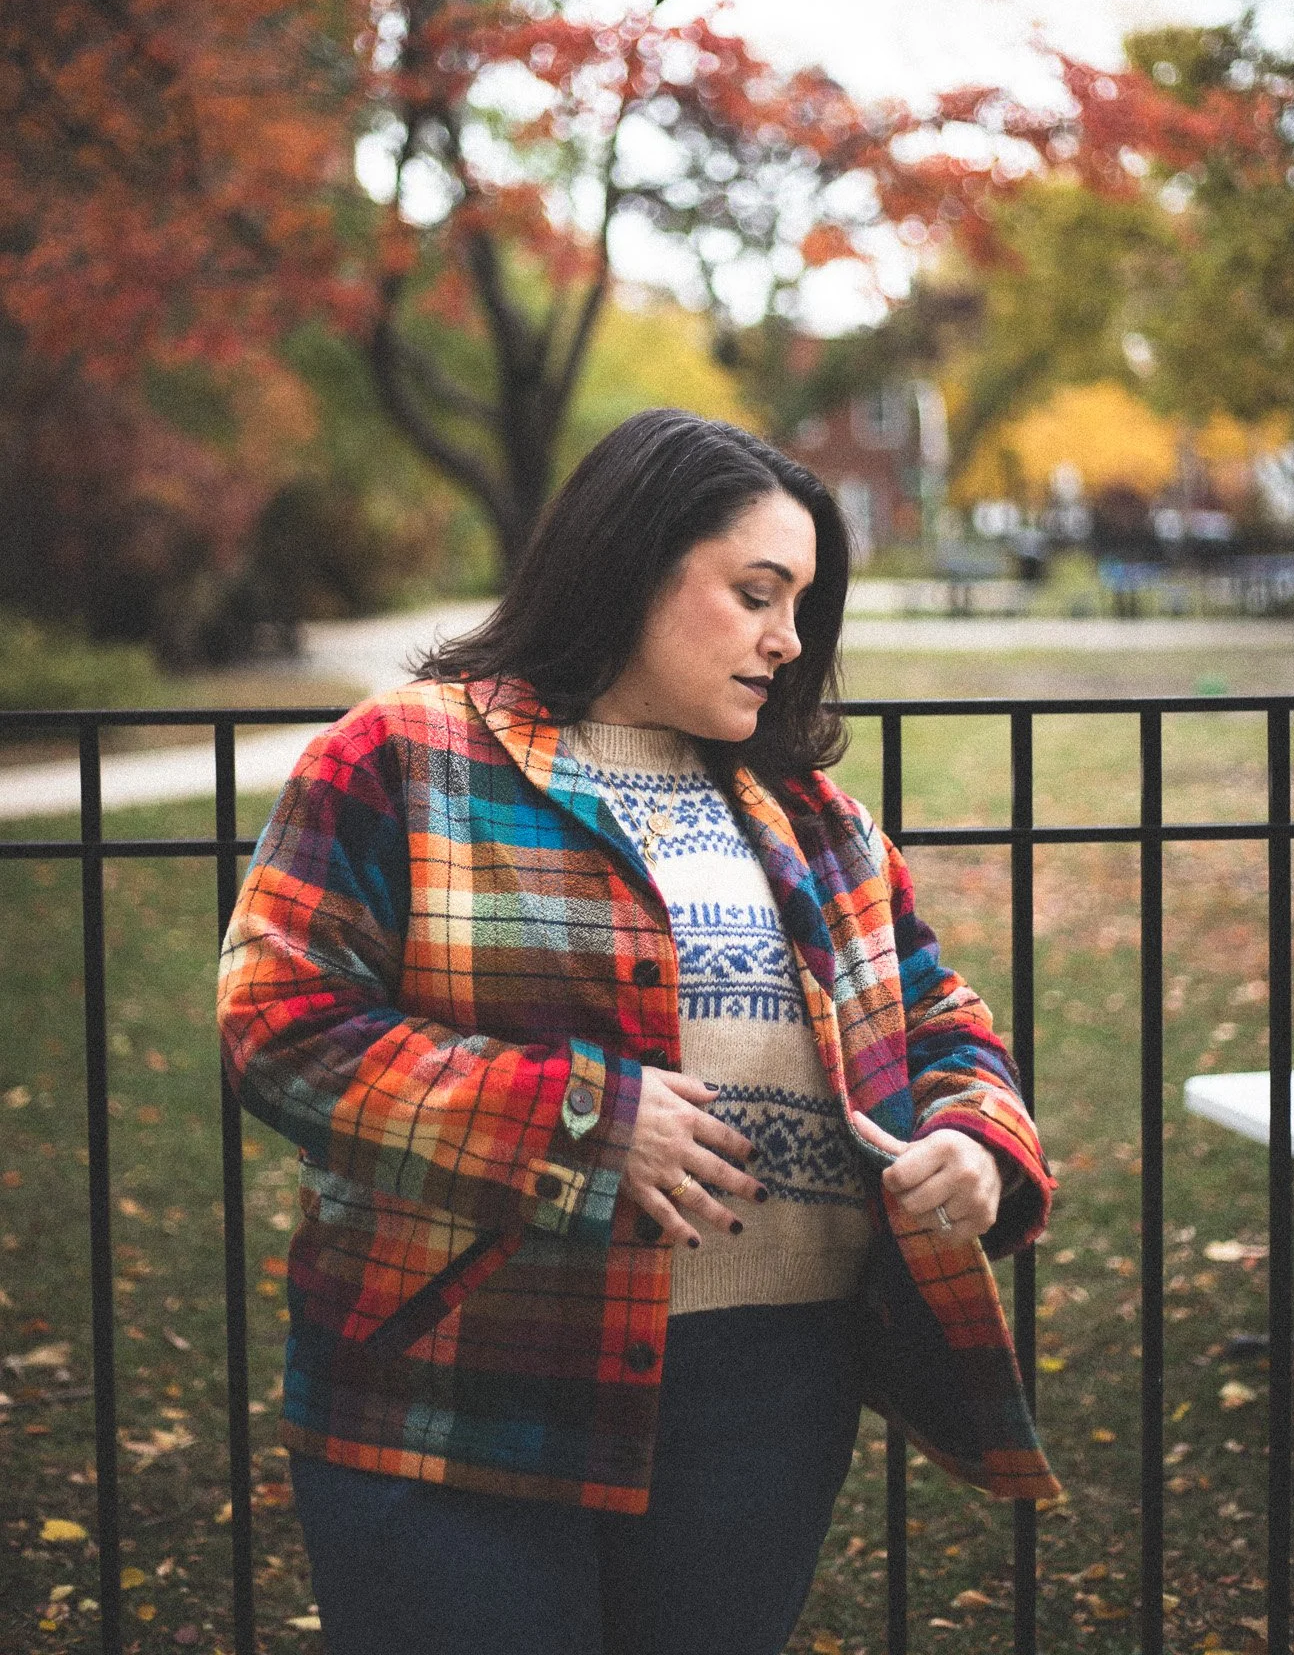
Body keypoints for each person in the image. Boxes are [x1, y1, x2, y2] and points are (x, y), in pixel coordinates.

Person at [218, 409, 1057, 1655]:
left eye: (801, 604)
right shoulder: (403, 754)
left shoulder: (813, 812)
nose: (788, 638)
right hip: (465, 1381)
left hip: (769, 1391)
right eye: (755, 591)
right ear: (632, 560)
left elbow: (941, 1016)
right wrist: (580, 1121)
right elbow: (276, 1018)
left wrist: (980, 1140)